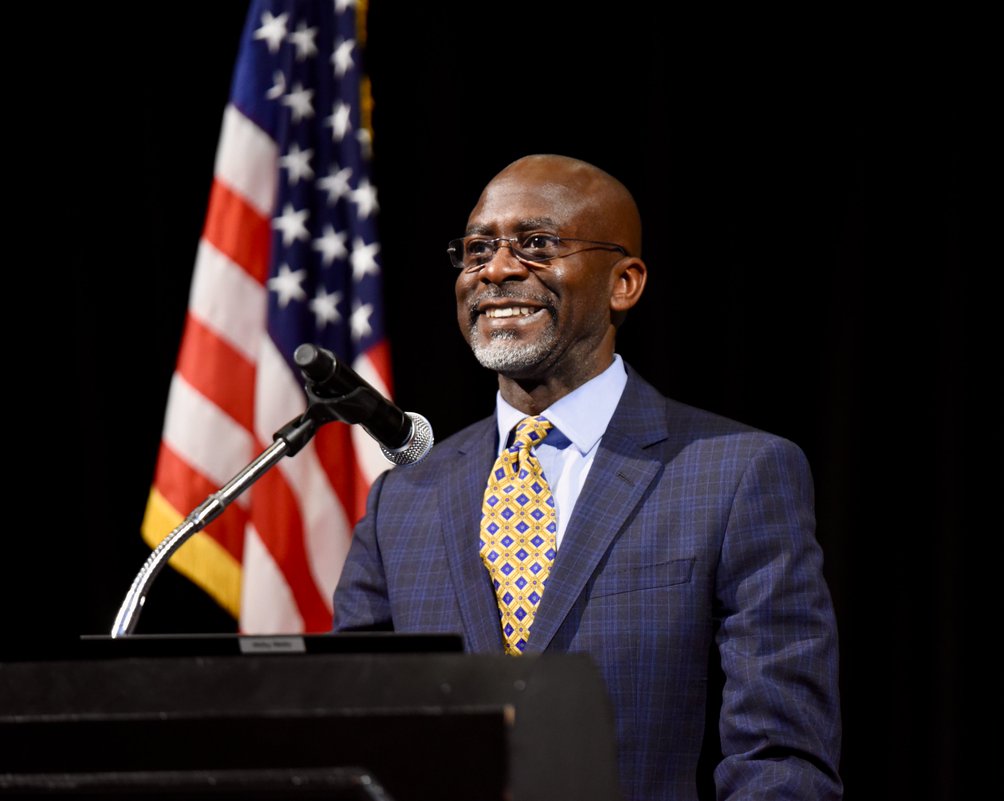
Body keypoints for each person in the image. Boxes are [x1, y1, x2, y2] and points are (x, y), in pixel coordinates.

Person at [333, 154, 843, 799]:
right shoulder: (404, 499)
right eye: (477, 249)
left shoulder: (736, 473)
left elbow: (780, 755)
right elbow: (354, 730)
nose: (496, 269)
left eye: (538, 244)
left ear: (623, 282)